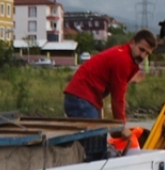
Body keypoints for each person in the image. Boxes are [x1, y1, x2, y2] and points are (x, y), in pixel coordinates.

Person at [64, 29, 156, 158]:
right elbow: (118, 98)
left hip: (83, 98)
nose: (143, 56)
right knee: (94, 148)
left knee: (95, 142)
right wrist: (121, 126)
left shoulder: (124, 56)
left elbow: (110, 85)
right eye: (141, 50)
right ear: (132, 43)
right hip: (81, 98)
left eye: (147, 53)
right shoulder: (123, 60)